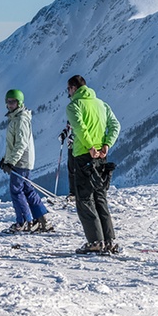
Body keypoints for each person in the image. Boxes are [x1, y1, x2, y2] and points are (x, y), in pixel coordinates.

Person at [65, 75, 121, 254]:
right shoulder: (101, 104)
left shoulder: (74, 106)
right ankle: (109, 239)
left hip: (84, 155)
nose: (68, 93)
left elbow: (80, 127)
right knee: (100, 197)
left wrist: (89, 147)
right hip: (101, 157)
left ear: (73, 88)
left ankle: (96, 241)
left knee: (85, 200)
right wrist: (106, 144)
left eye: (68, 90)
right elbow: (115, 125)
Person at [0, 89, 51, 233]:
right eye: (8, 102)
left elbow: (20, 143)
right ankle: (42, 219)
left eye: (12, 102)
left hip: (21, 161)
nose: (9, 105)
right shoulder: (17, 118)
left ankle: (23, 221)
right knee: (27, 189)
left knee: (16, 191)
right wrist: (6, 159)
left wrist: (12, 161)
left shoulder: (20, 119)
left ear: (19, 102)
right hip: (23, 160)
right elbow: (13, 144)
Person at [57, 121, 76, 200]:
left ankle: (83, 192)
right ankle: (73, 193)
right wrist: (64, 133)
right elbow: (68, 128)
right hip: (71, 148)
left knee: (80, 170)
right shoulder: (71, 114)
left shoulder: (82, 115)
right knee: (71, 170)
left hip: (81, 148)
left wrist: (74, 137)